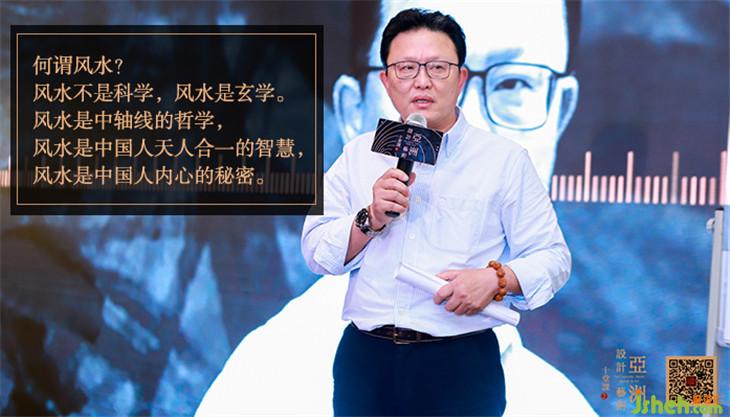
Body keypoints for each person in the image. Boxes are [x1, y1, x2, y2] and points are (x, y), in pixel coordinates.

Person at [300, 8, 570, 416]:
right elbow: (316, 250)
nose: (422, 81)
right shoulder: (358, 154)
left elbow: (553, 258)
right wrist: (370, 218)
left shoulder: (503, 160)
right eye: (406, 68)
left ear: (461, 78)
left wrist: (496, 279)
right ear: (386, 81)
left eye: (438, 68)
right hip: (367, 359)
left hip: (460, 363)